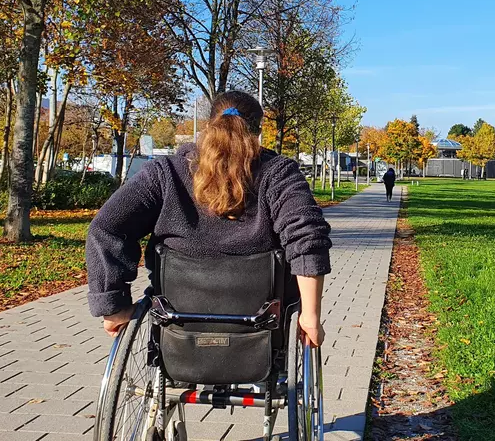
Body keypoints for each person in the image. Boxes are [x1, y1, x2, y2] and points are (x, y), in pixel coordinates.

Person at [85, 90, 331, 348]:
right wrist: (311, 316)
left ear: (209, 124)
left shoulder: (165, 173)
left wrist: (112, 305)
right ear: (258, 132)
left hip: (178, 321)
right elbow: (307, 237)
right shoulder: (279, 173)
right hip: (262, 324)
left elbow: (107, 227)